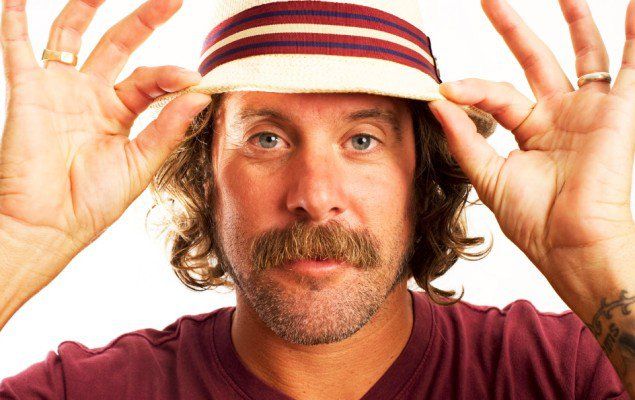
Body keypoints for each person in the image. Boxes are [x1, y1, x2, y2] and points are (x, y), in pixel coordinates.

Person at [0, 0, 633, 398]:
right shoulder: (85, 392)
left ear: (424, 174)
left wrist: (598, 254)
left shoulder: (567, 373)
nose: (315, 195)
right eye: (267, 139)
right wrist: (19, 240)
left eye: (363, 140)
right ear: (204, 174)